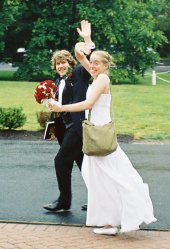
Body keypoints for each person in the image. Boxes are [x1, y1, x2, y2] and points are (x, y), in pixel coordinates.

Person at [48, 46, 157, 234]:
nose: (92, 65)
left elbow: (88, 104)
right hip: (95, 131)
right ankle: (110, 222)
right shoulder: (97, 77)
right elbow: (80, 56)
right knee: (102, 176)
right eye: (92, 62)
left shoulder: (102, 79)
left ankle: (115, 220)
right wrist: (83, 42)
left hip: (99, 133)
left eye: (97, 63)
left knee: (111, 175)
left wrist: (62, 107)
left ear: (106, 65)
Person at [43, 20, 95, 212]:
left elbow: (91, 60)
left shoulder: (80, 74)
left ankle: (64, 201)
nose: (61, 66)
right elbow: (58, 106)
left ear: (70, 63)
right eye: (58, 63)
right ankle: (99, 199)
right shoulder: (56, 82)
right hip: (64, 128)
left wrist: (87, 38)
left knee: (61, 161)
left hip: (77, 126)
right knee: (83, 164)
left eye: (64, 62)